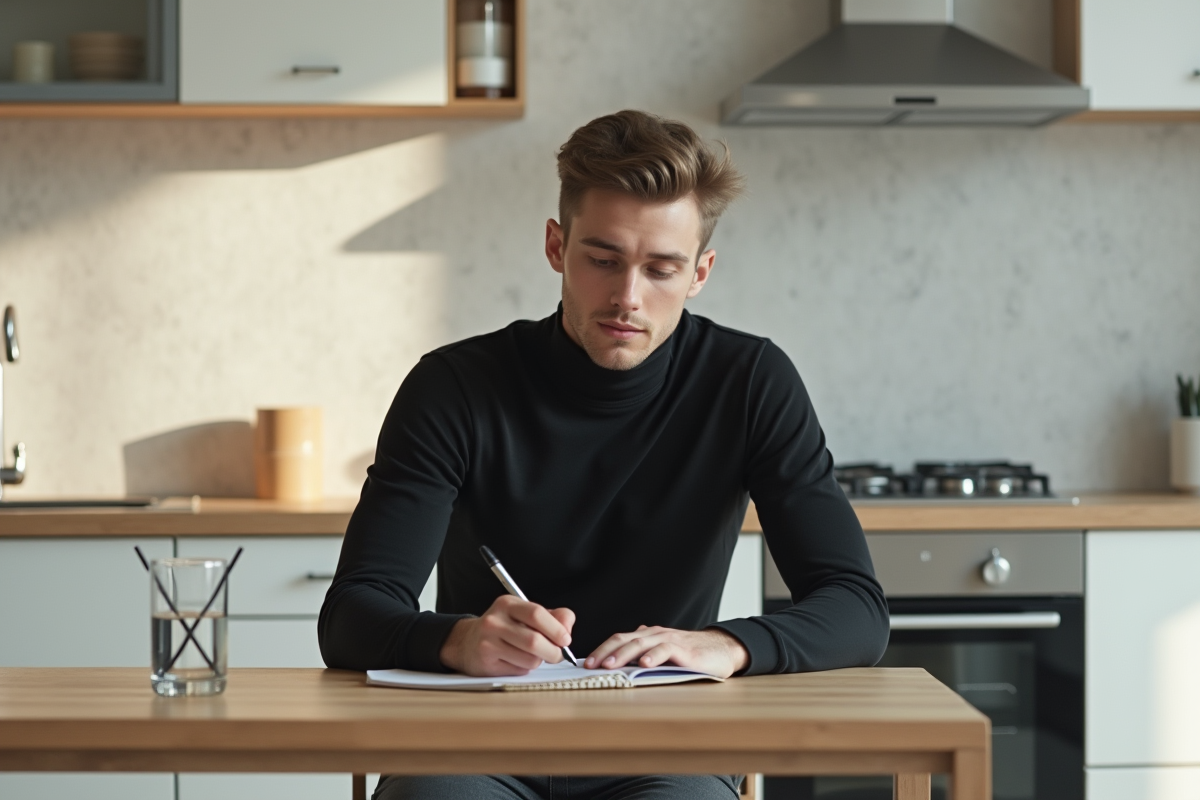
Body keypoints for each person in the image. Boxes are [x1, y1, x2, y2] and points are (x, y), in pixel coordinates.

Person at [319, 109, 889, 800]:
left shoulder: (750, 382)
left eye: (661, 269)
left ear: (701, 272)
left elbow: (856, 607)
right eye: (603, 260)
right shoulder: (453, 387)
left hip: (668, 749)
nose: (627, 298)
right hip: (476, 741)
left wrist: (726, 645)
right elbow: (352, 615)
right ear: (557, 246)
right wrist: (457, 641)